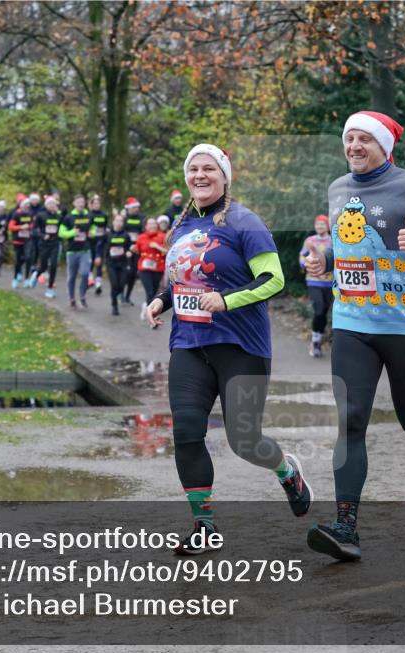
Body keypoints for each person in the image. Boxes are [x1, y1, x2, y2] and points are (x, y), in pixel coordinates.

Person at [303, 111, 405, 561]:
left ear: (383, 146)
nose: (354, 146)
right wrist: (327, 261)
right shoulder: (338, 189)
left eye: (364, 139)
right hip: (353, 322)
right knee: (351, 418)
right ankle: (345, 526)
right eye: (349, 138)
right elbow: (348, 244)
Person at [145, 143, 313, 555]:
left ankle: (287, 471)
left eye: (209, 169)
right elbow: (180, 280)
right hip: (189, 343)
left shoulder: (245, 222)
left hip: (241, 345)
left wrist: (227, 300)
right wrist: (160, 301)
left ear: (224, 176)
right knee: (186, 433)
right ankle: (204, 526)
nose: (200, 176)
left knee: (244, 440)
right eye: (193, 169)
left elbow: (273, 280)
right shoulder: (181, 226)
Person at [299, 214, 334, 358]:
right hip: (314, 281)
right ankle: (314, 341)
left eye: (322, 224)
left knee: (324, 312)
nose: (320, 226)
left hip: (329, 282)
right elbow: (302, 255)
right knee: (318, 309)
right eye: (318, 224)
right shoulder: (310, 240)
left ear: (327, 226)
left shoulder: (333, 240)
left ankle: (318, 340)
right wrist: (304, 265)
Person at [60, 194, 93, 309]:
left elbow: (93, 227)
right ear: (74, 204)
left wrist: (91, 233)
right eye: (78, 202)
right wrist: (72, 233)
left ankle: (82, 296)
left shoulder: (89, 215)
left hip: (85, 249)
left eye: (82, 202)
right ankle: (72, 298)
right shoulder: (69, 217)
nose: (80, 204)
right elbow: (61, 232)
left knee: (85, 273)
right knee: (72, 276)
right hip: (72, 251)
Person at [100, 213, 131, 316]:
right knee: (114, 284)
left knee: (122, 284)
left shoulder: (126, 235)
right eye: (117, 220)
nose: (119, 223)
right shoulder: (107, 235)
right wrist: (100, 257)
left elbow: (129, 247)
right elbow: (101, 247)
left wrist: (128, 252)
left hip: (122, 263)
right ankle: (114, 306)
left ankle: (117, 295)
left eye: (121, 221)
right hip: (111, 263)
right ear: (113, 222)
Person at [32, 196, 63, 298]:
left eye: (53, 204)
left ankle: (50, 288)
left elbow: (62, 228)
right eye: (49, 204)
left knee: (53, 265)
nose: (52, 206)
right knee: (44, 266)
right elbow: (35, 230)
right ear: (46, 205)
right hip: (44, 244)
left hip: (55, 243)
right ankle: (37, 275)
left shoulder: (59, 217)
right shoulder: (41, 215)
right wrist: (42, 235)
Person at [136, 217, 167, 309]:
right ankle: (152, 315)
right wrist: (131, 250)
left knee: (154, 292)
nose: (152, 225)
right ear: (145, 226)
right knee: (149, 292)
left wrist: (157, 246)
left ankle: (146, 306)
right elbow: (138, 251)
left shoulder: (162, 236)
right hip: (144, 269)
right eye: (150, 224)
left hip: (158, 268)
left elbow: (168, 251)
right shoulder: (141, 237)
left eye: (154, 223)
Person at [8, 198, 35, 289]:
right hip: (17, 239)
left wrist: (30, 227)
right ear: (22, 205)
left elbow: (33, 224)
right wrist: (21, 227)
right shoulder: (16, 214)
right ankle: (15, 278)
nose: (27, 207)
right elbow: (11, 226)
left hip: (27, 239)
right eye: (25, 205)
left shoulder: (30, 214)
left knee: (28, 257)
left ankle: (27, 279)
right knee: (18, 259)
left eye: (28, 205)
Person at [122, 197, 144, 305]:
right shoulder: (124, 218)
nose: (136, 209)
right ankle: (121, 293)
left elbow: (144, 232)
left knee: (133, 274)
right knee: (126, 273)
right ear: (129, 208)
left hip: (137, 248)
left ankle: (127, 296)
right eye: (134, 207)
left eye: (137, 207)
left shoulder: (142, 217)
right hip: (125, 248)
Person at [87, 194, 108, 296]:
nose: (97, 205)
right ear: (91, 205)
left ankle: (98, 284)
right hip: (91, 242)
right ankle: (90, 279)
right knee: (90, 262)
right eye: (94, 203)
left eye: (98, 203)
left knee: (99, 263)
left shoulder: (104, 215)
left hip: (101, 241)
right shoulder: (88, 215)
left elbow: (105, 227)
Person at [25, 192, 44, 286]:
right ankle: (31, 267)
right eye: (32, 200)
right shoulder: (27, 210)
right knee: (30, 253)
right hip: (28, 234)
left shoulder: (41, 209)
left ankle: (38, 269)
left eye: (36, 199)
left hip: (39, 234)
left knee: (39, 251)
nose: (34, 201)